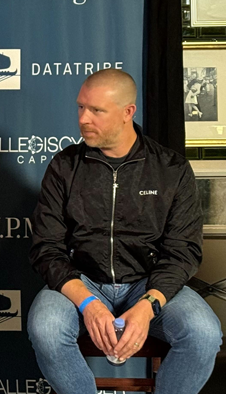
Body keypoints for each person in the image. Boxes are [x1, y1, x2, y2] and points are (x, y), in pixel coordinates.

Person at [28, 69, 222, 394]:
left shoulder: (170, 169)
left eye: (96, 111)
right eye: (80, 107)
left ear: (127, 112)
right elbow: (46, 247)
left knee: (203, 333)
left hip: (149, 283)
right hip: (82, 281)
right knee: (45, 327)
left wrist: (148, 306)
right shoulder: (65, 166)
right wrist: (88, 302)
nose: (83, 119)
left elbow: (182, 252)